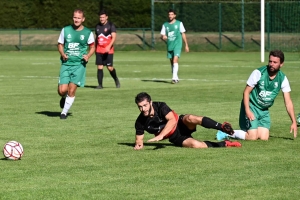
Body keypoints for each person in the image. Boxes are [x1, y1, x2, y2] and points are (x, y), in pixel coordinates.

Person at [216, 50, 297, 140]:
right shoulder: (258, 73)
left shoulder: (283, 79)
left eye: (275, 62)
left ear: (281, 64)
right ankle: (226, 132)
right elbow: (246, 92)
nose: (271, 64)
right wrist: (247, 110)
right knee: (252, 136)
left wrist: (293, 121)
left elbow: (288, 102)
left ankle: (246, 130)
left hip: (264, 110)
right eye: (270, 61)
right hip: (252, 106)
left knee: (263, 137)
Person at [134, 92, 242, 150]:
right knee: (196, 145)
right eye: (140, 107)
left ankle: (222, 127)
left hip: (180, 124)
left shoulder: (160, 106)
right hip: (176, 137)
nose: (143, 109)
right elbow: (139, 141)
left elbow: (172, 120)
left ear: (150, 102)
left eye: (145, 105)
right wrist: (138, 146)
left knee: (191, 118)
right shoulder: (140, 121)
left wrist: (161, 136)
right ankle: (225, 144)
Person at [57, 9, 95, 119]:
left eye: (78, 18)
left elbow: (92, 47)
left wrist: (88, 56)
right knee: (62, 91)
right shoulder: (66, 30)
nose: (76, 20)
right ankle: (63, 97)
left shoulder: (88, 32)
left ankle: (64, 113)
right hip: (66, 64)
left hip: (79, 65)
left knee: (72, 90)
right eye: (75, 17)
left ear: (83, 19)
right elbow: (60, 44)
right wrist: (63, 53)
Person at [160, 9, 189, 84]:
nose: (170, 16)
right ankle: (176, 77)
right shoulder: (165, 25)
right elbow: (162, 36)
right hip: (170, 45)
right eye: (169, 14)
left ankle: (174, 78)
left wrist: (186, 45)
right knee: (172, 63)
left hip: (177, 45)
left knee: (175, 60)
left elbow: (183, 34)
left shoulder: (179, 23)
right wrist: (163, 37)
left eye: (172, 14)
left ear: (175, 15)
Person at [94, 10, 120, 89]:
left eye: (103, 17)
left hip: (108, 51)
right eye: (100, 17)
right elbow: (96, 38)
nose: (101, 19)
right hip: (99, 50)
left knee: (110, 67)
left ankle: (116, 79)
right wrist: (95, 48)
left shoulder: (111, 25)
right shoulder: (97, 26)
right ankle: (100, 85)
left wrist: (109, 46)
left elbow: (114, 37)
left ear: (106, 17)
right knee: (100, 66)